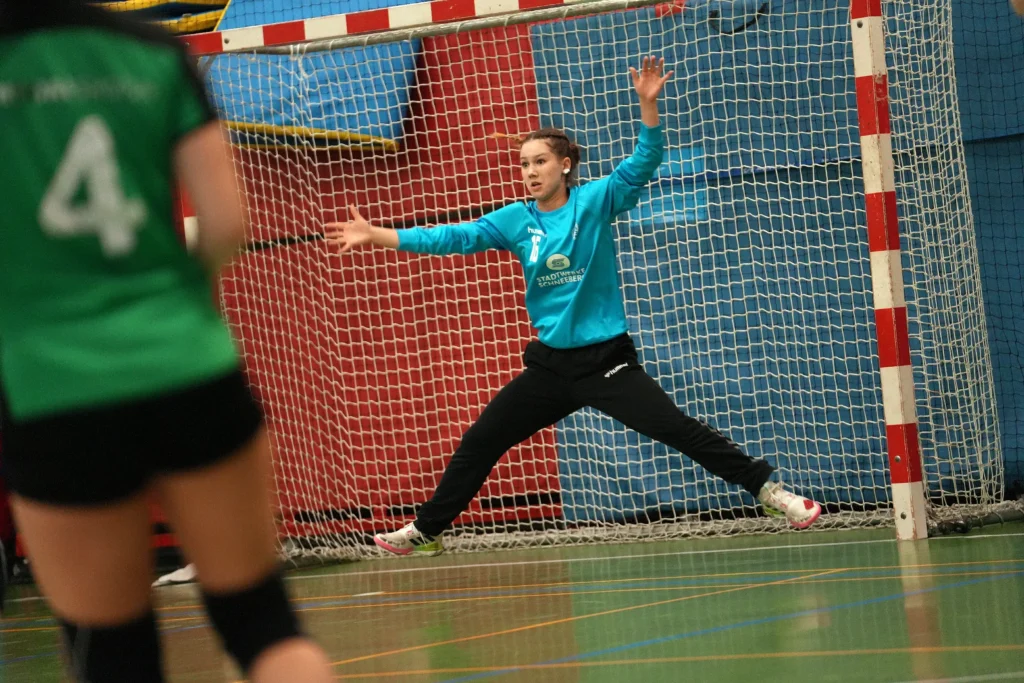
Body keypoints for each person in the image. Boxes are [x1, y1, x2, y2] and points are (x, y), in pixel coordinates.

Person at [326, 56, 821, 557]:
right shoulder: (514, 221)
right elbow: (450, 237)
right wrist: (376, 234)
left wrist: (648, 105)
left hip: (607, 363)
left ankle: (770, 493)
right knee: (481, 441)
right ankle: (428, 531)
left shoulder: (595, 201)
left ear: (564, 165)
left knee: (679, 430)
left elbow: (644, 160)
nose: (530, 172)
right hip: (551, 368)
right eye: (524, 164)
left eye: (540, 161)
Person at [0, 1, 333, 681]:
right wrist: (173, 306)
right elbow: (226, 222)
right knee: (262, 625)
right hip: (188, 363)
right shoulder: (150, 50)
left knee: (111, 652)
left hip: (51, 387)